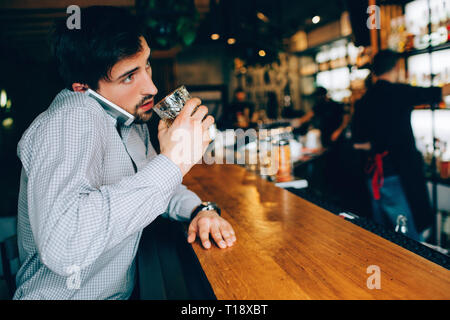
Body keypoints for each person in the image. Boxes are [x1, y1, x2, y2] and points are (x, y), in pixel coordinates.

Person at [13, 6, 236, 300]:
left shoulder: (128, 122)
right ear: (82, 86)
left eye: (147, 65)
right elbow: (63, 245)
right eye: (129, 76)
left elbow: (154, 188)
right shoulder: (72, 118)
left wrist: (198, 210)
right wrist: (172, 162)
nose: (152, 86)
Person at [352, 49, 450, 242]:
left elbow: (357, 144)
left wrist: (376, 146)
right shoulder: (400, 92)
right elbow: (440, 91)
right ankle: (414, 269)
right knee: (408, 235)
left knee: (381, 234)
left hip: (374, 175)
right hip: (398, 174)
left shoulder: (363, 100)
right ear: (396, 68)